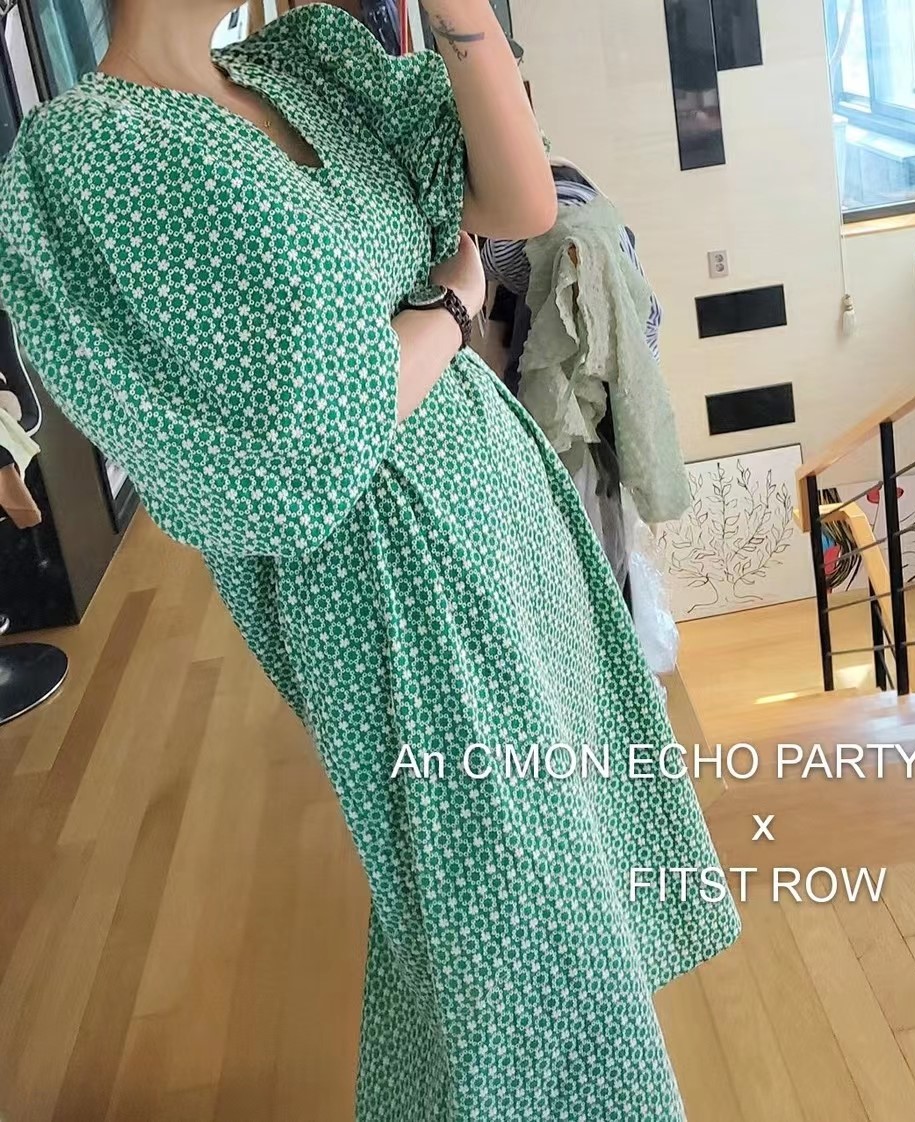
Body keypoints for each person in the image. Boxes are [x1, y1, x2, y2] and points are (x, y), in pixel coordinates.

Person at [0, 2, 741, 1118]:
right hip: (390, 579)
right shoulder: (94, 153)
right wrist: (450, 304)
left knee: (510, 914)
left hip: (500, 520)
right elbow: (300, 445)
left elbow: (519, 203)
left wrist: (461, 15)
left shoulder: (298, 66)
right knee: (522, 930)